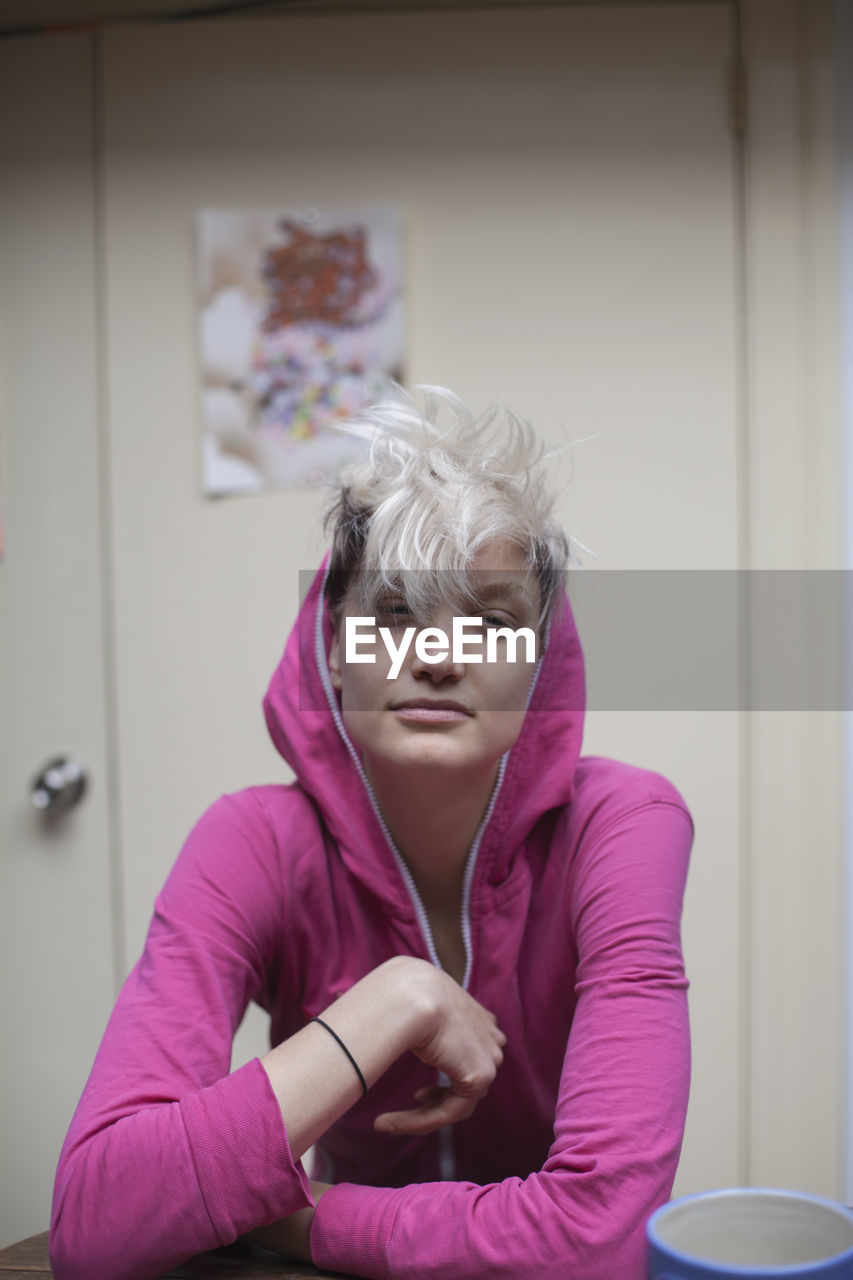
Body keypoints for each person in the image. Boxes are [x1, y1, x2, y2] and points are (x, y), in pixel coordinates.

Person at [49, 387, 692, 1280]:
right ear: (331, 646)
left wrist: (294, 1218)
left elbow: (598, 1237)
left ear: (540, 667)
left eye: (493, 621)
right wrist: (395, 999)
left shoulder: (623, 826)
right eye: (394, 610)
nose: (434, 656)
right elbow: (95, 1221)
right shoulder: (251, 841)